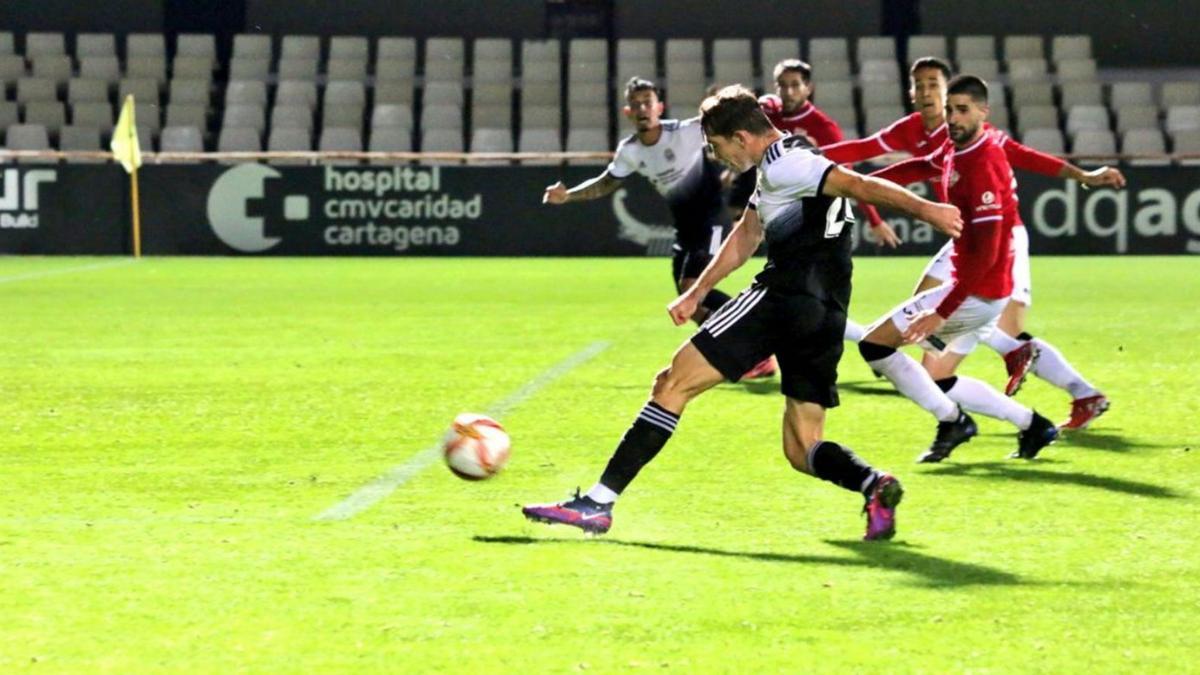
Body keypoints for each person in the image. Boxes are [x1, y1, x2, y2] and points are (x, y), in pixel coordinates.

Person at [523, 85, 963, 540]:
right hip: (826, 313)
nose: (716, 157)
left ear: (739, 137)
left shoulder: (791, 163)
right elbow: (747, 234)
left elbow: (858, 183)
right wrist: (698, 293)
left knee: (671, 383)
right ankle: (874, 484)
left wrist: (927, 209)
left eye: (715, 147)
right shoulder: (779, 165)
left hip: (783, 297)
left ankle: (598, 503)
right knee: (802, 447)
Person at [824, 57, 1124, 429]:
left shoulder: (984, 141)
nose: (926, 93)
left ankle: (1065, 387)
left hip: (998, 236)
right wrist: (843, 180)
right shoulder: (921, 131)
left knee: (967, 322)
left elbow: (1030, 159)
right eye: (919, 85)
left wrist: (1085, 176)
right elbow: (871, 151)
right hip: (963, 236)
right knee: (933, 339)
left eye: (934, 85)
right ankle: (1013, 373)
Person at [855, 74, 1058, 463]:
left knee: (874, 345)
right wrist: (856, 185)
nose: (953, 118)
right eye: (949, 109)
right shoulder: (955, 148)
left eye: (962, 110)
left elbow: (987, 252)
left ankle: (953, 422)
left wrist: (941, 313)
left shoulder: (983, 164)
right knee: (937, 378)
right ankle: (1034, 425)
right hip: (979, 292)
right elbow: (916, 168)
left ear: (984, 112)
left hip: (976, 292)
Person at [543, 77, 775, 379]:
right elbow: (606, 182)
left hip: (710, 220)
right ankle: (745, 352)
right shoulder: (630, 150)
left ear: (659, 107)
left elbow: (728, 126)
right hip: (685, 229)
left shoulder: (686, 132)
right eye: (636, 104)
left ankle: (758, 348)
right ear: (628, 111)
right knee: (688, 302)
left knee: (691, 288)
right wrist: (569, 195)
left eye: (648, 102)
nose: (643, 108)